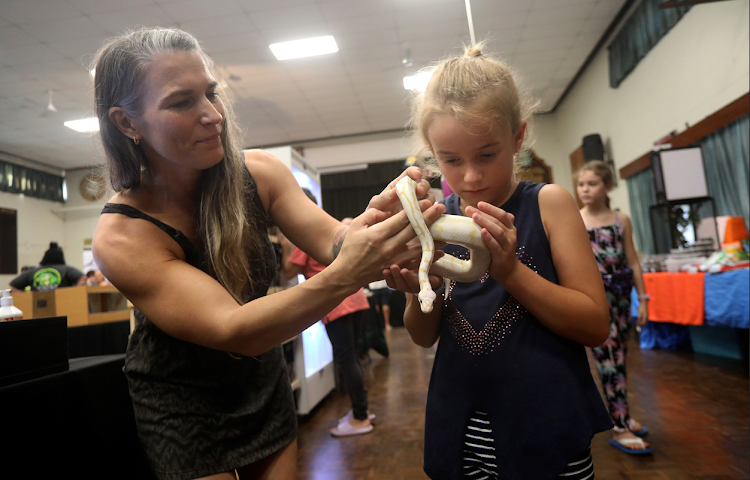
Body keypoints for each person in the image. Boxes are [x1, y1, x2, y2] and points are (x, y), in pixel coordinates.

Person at [89, 27, 440, 480]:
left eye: (211, 94)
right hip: (182, 399)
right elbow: (234, 329)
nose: (213, 115)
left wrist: (375, 220)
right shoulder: (122, 235)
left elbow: (334, 241)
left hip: (260, 379)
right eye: (181, 102)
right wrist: (350, 269)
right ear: (127, 123)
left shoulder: (259, 174)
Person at [385, 45, 614, 480]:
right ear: (432, 154)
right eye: (451, 160)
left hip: (547, 426)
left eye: (487, 155)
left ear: (517, 137)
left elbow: (594, 325)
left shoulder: (550, 205)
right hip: (462, 431)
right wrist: (418, 293)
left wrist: (510, 272)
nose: (470, 176)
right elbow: (422, 337)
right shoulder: (437, 221)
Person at [279, 198, 374, 437]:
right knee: (352, 358)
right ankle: (362, 411)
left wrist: (285, 247)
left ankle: (361, 418)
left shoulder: (302, 233)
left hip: (337, 305)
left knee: (347, 360)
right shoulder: (322, 228)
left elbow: (289, 271)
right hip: (356, 299)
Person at [576, 160, 652, 455]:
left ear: (607, 186)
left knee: (618, 358)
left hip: (621, 297)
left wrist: (643, 300)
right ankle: (619, 427)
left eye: (592, 184)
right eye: (581, 184)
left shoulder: (621, 220)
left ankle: (622, 415)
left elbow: (632, 260)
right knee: (608, 359)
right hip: (596, 300)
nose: (584, 189)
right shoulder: (576, 220)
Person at [9, 242, 83, 292]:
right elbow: (83, 278)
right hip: (62, 304)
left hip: (37, 306)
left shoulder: (33, 272)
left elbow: (13, 285)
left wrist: (25, 298)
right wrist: (73, 293)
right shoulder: (66, 269)